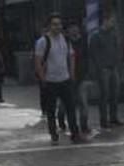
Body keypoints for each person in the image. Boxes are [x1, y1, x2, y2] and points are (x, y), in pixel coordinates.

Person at [35, 13, 84, 143]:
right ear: (49, 26)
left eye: (59, 24)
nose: (58, 27)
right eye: (55, 24)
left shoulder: (65, 39)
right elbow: (38, 62)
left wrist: (72, 73)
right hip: (50, 81)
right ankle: (53, 133)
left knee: (71, 108)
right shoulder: (43, 41)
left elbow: (72, 56)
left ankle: (75, 134)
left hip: (65, 80)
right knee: (51, 110)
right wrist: (43, 79)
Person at [66, 21, 91, 134]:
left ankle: (84, 126)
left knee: (83, 103)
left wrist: (88, 73)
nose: (74, 30)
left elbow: (88, 57)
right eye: (72, 28)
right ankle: (64, 121)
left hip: (82, 77)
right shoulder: (65, 43)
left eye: (76, 27)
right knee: (66, 104)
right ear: (68, 30)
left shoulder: (84, 41)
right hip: (67, 78)